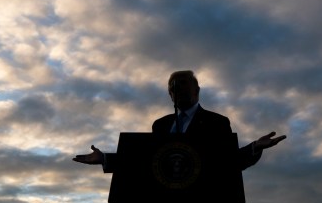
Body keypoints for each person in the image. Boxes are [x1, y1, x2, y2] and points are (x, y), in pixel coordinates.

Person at [73, 70, 286, 171]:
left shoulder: (217, 122)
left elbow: (227, 161)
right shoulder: (160, 125)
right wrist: (105, 159)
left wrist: (254, 147)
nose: (178, 89)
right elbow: (147, 161)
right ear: (170, 95)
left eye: (184, 84)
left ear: (197, 90)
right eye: (173, 87)